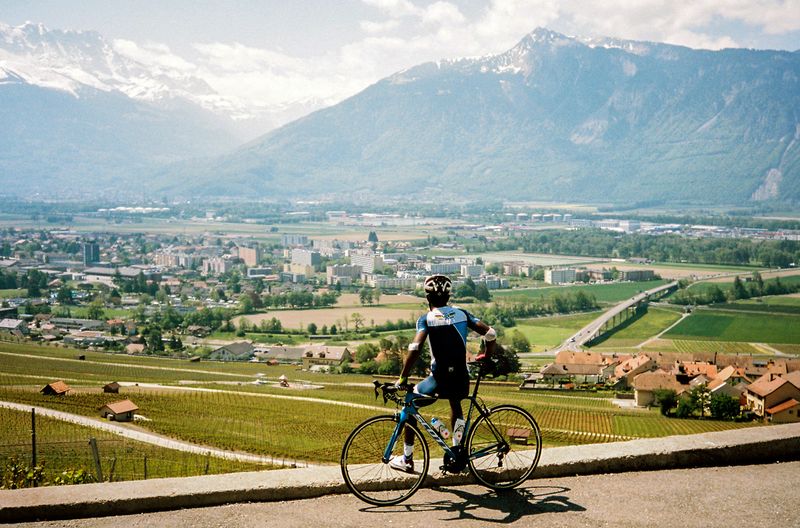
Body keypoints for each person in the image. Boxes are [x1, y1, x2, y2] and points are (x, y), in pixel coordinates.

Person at [390, 274, 496, 473]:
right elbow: (491, 334)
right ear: (448, 296)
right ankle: (457, 453)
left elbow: (415, 347)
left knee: (410, 402)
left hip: (439, 379)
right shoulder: (462, 314)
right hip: (461, 378)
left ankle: (407, 459)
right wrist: (486, 355)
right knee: (456, 405)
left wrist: (403, 377)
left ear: (427, 298)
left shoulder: (426, 319)